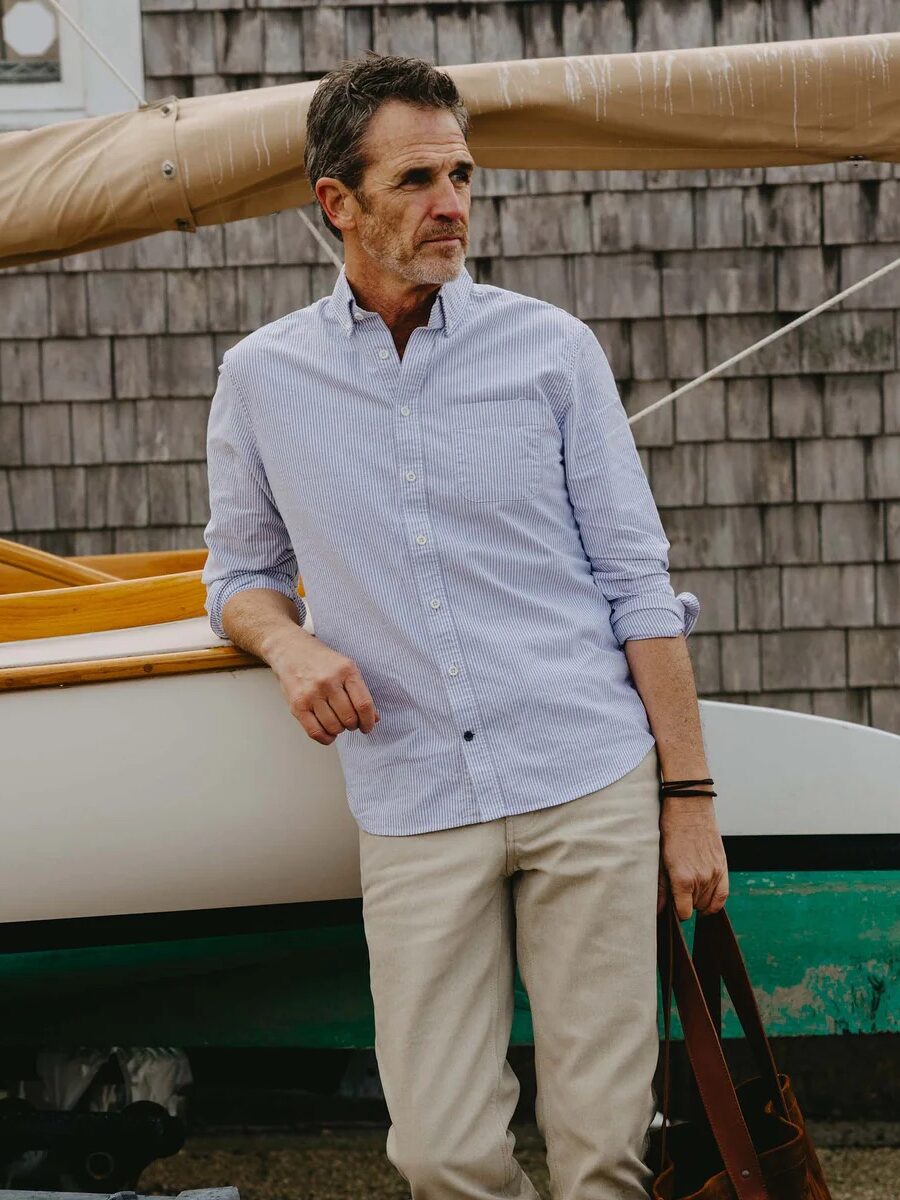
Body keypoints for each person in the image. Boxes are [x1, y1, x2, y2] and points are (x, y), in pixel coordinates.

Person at [202, 51, 729, 1200]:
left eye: (463, 175)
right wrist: (289, 645)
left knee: (606, 1153)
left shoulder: (551, 352)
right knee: (440, 1153)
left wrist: (687, 801)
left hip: (584, 776)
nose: (452, 206)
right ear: (337, 202)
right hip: (414, 794)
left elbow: (639, 584)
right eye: (417, 180)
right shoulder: (262, 379)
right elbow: (236, 571)